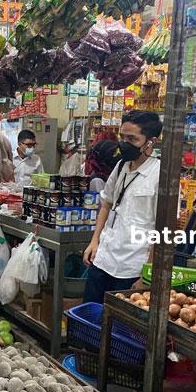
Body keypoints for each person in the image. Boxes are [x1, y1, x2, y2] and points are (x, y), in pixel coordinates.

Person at [82, 110, 163, 304]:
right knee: (90, 319)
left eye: (132, 139)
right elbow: (106, 204)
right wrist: (94, 241)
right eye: (122, 137)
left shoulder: (160, 175)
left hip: (132, 267)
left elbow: (163, 229)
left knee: (120, 328)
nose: (124, 144)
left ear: (151, 142)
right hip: (103, 260)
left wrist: (148, 272)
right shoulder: (120, 167)